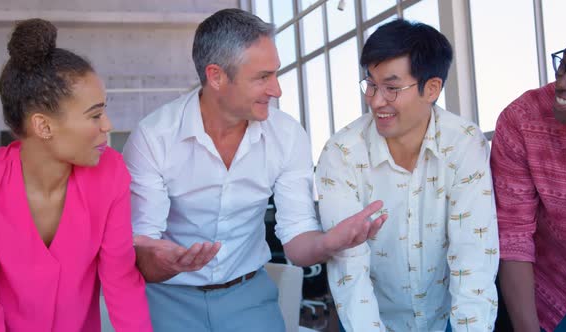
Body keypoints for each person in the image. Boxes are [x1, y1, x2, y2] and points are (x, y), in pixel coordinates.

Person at [122, 8, 387, 332]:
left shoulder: (287, 135)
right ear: (216, 76)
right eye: (263, 77)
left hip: (248, 296)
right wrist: (161, 260)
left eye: (275, 74)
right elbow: (142, 245)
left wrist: (330, 242)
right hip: (167, 296)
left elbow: (297, 240)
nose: (277, 90)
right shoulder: (153, 137)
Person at [315, 19, 499, 332]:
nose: (375, 100)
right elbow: (350, 269)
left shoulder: (464, 143)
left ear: (432, 88)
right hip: (368, 319)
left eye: (391, 88)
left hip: (448, 317)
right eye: (370, 84)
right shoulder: (342, 153)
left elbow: (474, 257)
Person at [0, 19, 152, 331]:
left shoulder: (111, 173)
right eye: (95, 115)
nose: (107, 125)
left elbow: (121, 281)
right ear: (44, 126)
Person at [491, 13, 566, 332]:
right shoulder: (522, 119)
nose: (562, 82)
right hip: (546, 289)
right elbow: (514, 234)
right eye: (564, 64)